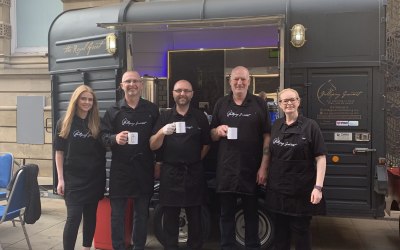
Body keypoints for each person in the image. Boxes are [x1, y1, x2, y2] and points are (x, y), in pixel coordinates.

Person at [210, 66, 271, 250]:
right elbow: (211, 134)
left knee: (251, 213)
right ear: (230, 81)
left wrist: (263, 167)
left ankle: (252, 246)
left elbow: (267, 135)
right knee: (226, 214)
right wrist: (217, 131)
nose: (239, 82)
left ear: (249, 81)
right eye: (236, 79)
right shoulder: (221, 104)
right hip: (226, 169)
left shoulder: (259, 104)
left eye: (243, 79)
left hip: (251, 169)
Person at [150, 80, 211, 250]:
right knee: (170, 219)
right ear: (173, 93)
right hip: (170, 173)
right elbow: (152, 145)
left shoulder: (200, 117)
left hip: (194, 173)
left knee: (196, 218)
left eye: (186, 91)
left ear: (192, 94)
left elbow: (207, 144)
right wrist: (162, 132)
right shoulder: (164, 117)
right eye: (179, 91)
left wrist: (194, 160)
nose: (182, 94)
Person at [101, 71, 159, 250]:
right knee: (117, 215)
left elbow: (158, 140)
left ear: (141, 85)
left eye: (135, 81)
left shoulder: (151, 109)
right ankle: (118, 247)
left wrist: (158, 164)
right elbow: (102, 137)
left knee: (141, 215)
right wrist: (114, 139)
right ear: (122, 85)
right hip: (121, 171)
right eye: (128, 81)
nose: (132, 84)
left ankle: (139, 247)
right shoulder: (113, 111)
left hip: (144, 169)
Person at [264, 88, 327, 250]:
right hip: (278, 189)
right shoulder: (276, 125)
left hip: (301, 190)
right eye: (285, 101)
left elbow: (320, 158)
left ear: (298, 102)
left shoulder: (310, 126)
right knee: (280, 233)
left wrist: (318, 187)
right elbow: (270, 153)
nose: (289, 103)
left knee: (301, 233)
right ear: (280, 105)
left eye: (292, 99)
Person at [54, 85, 106, 250]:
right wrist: (60, 179)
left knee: (90, 217)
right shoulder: (64, 122)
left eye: (90, 99)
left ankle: (86, 248)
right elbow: (59, 152)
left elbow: (106, 146)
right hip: (73, 179)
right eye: (83, 98)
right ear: (76, 101)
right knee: (73, 218)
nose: (87, 102)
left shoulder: (97, 123)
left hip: (94, 178)